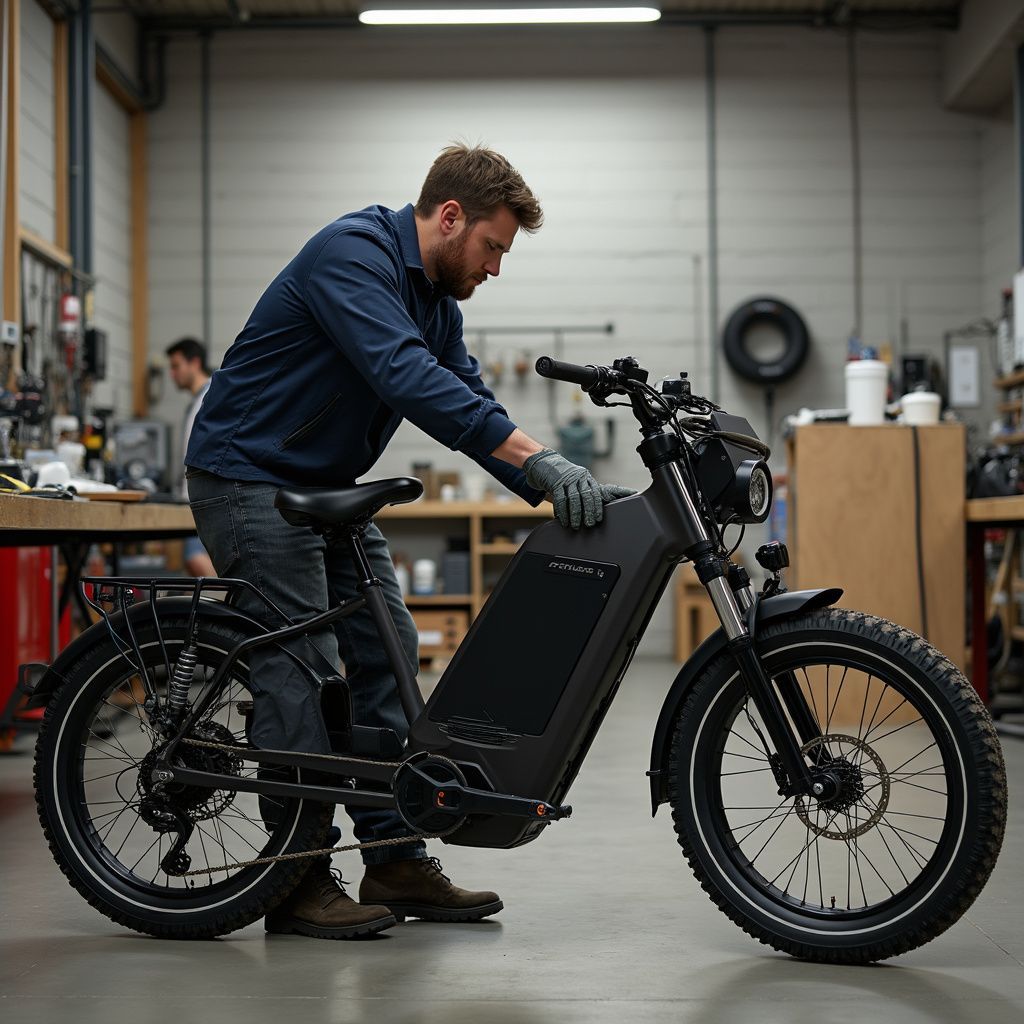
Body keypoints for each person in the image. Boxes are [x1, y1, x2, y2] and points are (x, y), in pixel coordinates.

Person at [185, 144, 632, 940]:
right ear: (449, 217)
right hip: (247, 476)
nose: (495, 267)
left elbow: (466, 395)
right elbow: (406, 377)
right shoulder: (352, 255)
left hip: (323, 488)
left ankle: (393, 857)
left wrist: (552, 484)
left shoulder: (437, 305)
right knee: (305, 674)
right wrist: (537, 457)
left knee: (389, 658)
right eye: (492, 246)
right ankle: (293, 878)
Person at [165, 337, 216, 578]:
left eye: (176, 366)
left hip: (205, 498)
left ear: (194, 363)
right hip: (193, 500)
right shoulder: (199, 400)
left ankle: (234, 598)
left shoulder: (210, 398)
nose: (172, 374)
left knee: (195, 557)